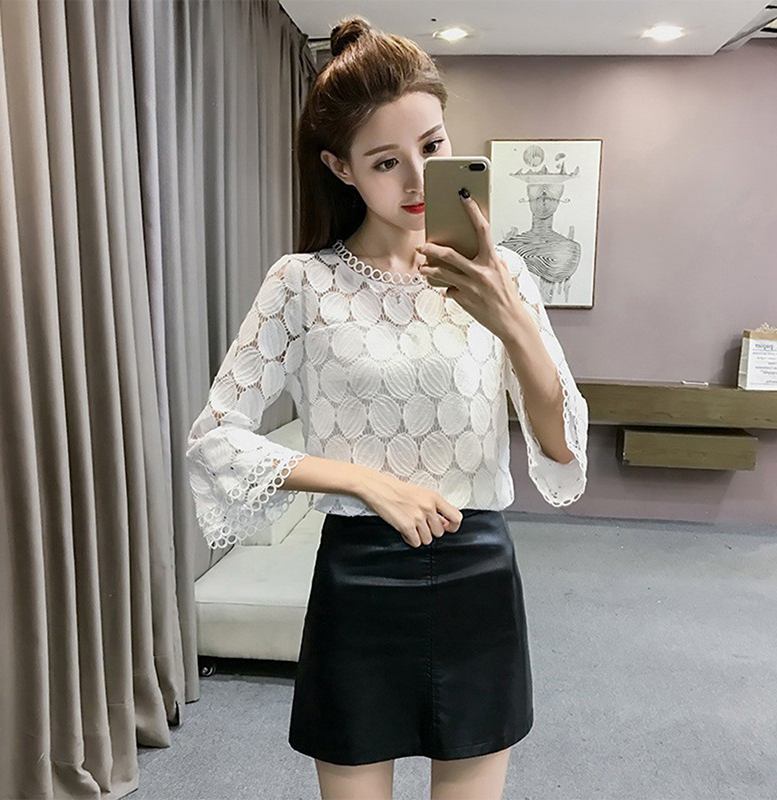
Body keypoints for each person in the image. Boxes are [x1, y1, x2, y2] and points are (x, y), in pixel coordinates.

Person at [185, 15, 589, 800]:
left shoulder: (504, 273)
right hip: (358, 580)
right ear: (340, 167)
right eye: (385, 161)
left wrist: (509, 318)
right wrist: (366, 482)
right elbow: (215, 440)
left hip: (477, 575)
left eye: (432, 148)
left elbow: (562, 446)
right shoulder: (301, 285)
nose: (416, 182)